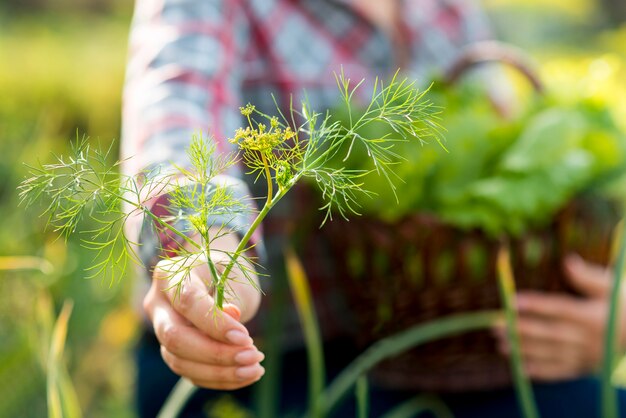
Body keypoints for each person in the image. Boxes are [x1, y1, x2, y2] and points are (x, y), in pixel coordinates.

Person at [121, 0, 626, 417]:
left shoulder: (447, 13)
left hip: (446, 352)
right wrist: (206, 254)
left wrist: (607, 319)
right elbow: (176, 126)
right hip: (264, 365)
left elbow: (503, 153)